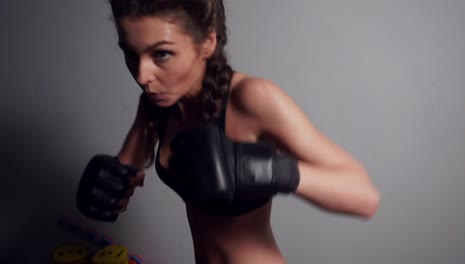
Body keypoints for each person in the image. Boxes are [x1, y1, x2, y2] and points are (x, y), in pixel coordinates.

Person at [76, 0, 381, 263]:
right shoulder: (158, 105)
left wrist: (272, 170)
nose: (143, 75)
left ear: (208, 42)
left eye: (162, 54)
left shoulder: (252, 99)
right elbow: (126, 168)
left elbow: (363, 197)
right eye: (131, 53)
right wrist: (111, 184)